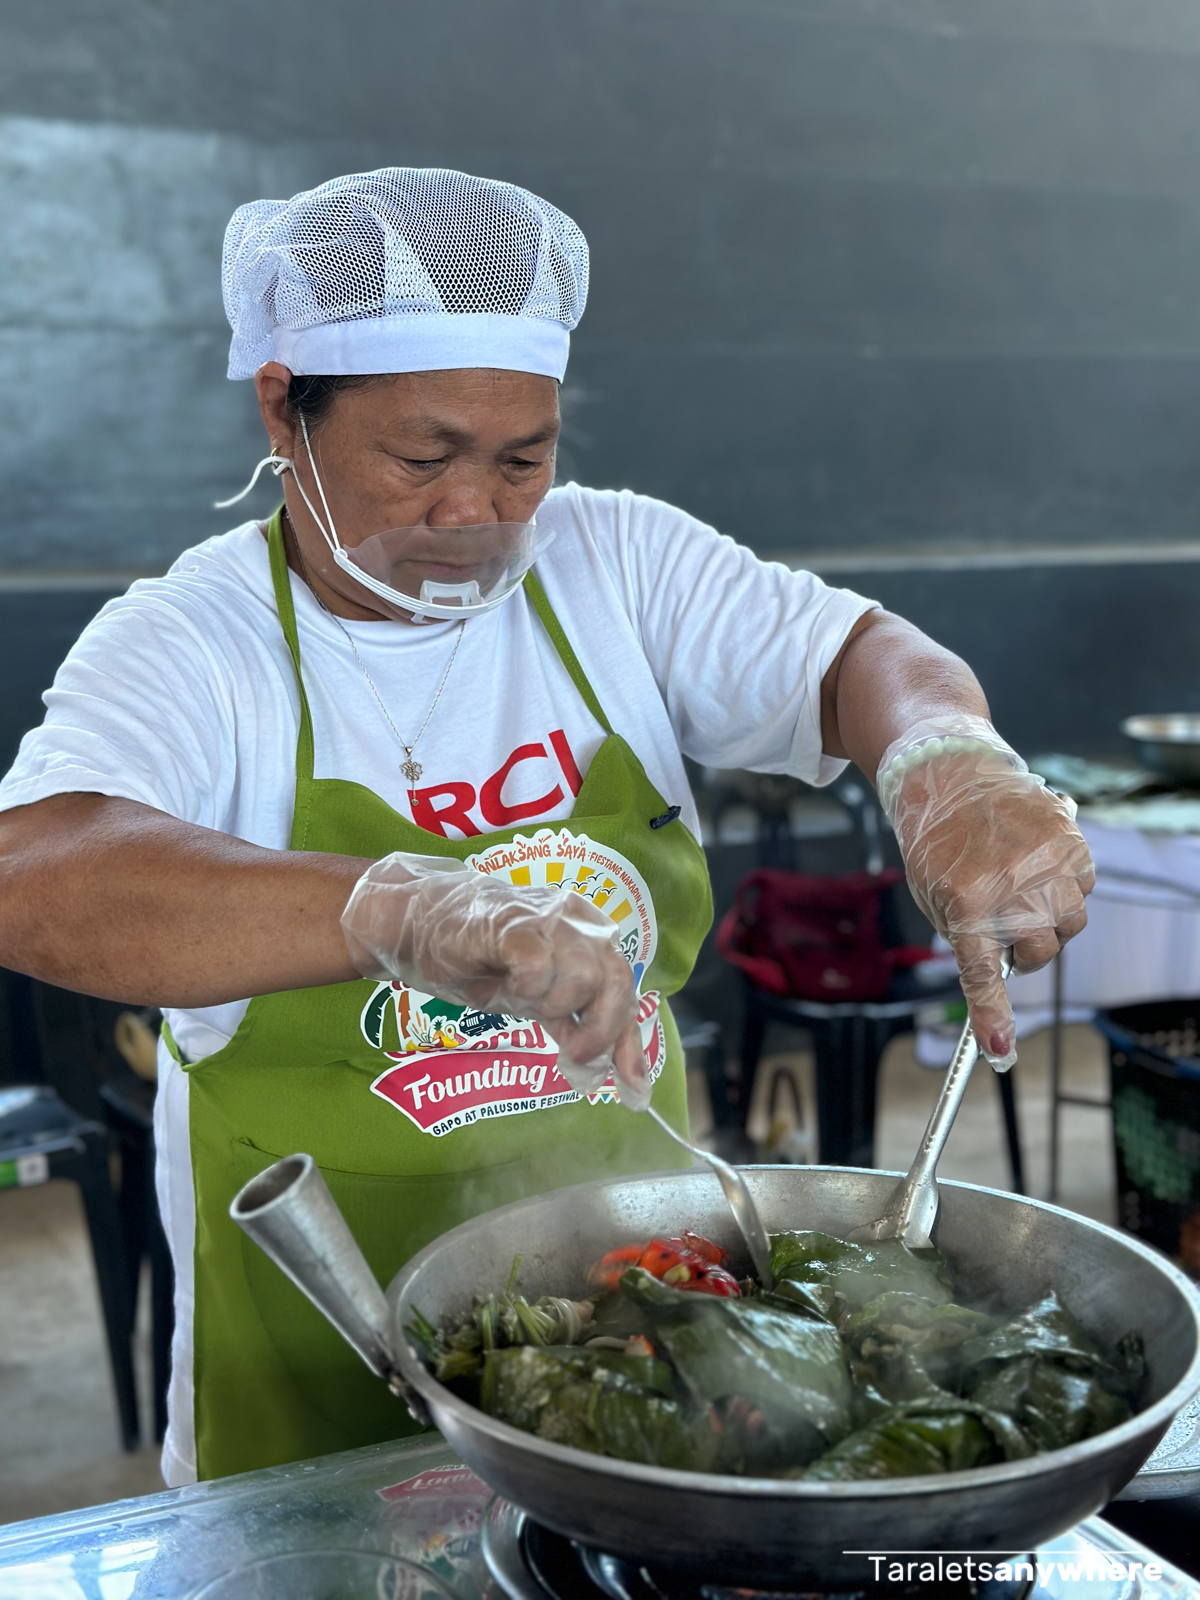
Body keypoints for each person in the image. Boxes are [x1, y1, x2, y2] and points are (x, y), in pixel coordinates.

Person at [0, 168, 1093, 1484]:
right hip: (318, 1353)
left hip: (651, 1311)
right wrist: (398, 912)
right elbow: (36, 873)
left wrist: (945, 757)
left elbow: (857, 654)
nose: (475, 512)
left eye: (523, 458)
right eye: (421, 458)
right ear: (282, 407)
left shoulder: (614, 565)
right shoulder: (194, 643)